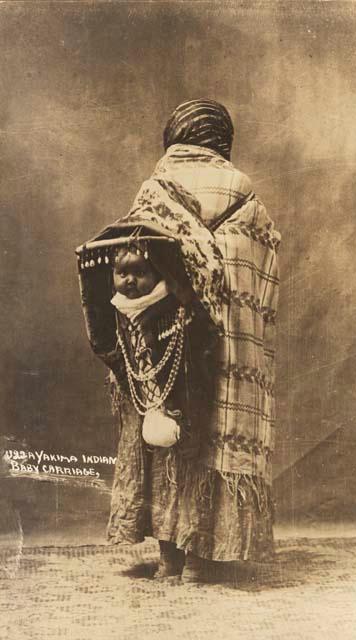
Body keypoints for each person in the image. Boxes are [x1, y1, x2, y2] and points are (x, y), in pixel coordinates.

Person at [77, 99, 280, 583]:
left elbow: (126, 257)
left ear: (175, 137)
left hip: (161, 348)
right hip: (223, 347)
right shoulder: (245, 196)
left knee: (164, 439)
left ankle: (170, 558)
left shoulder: (157, 189)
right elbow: (263, 268)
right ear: (220, 141)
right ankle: (203, 556)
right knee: (209, 436)